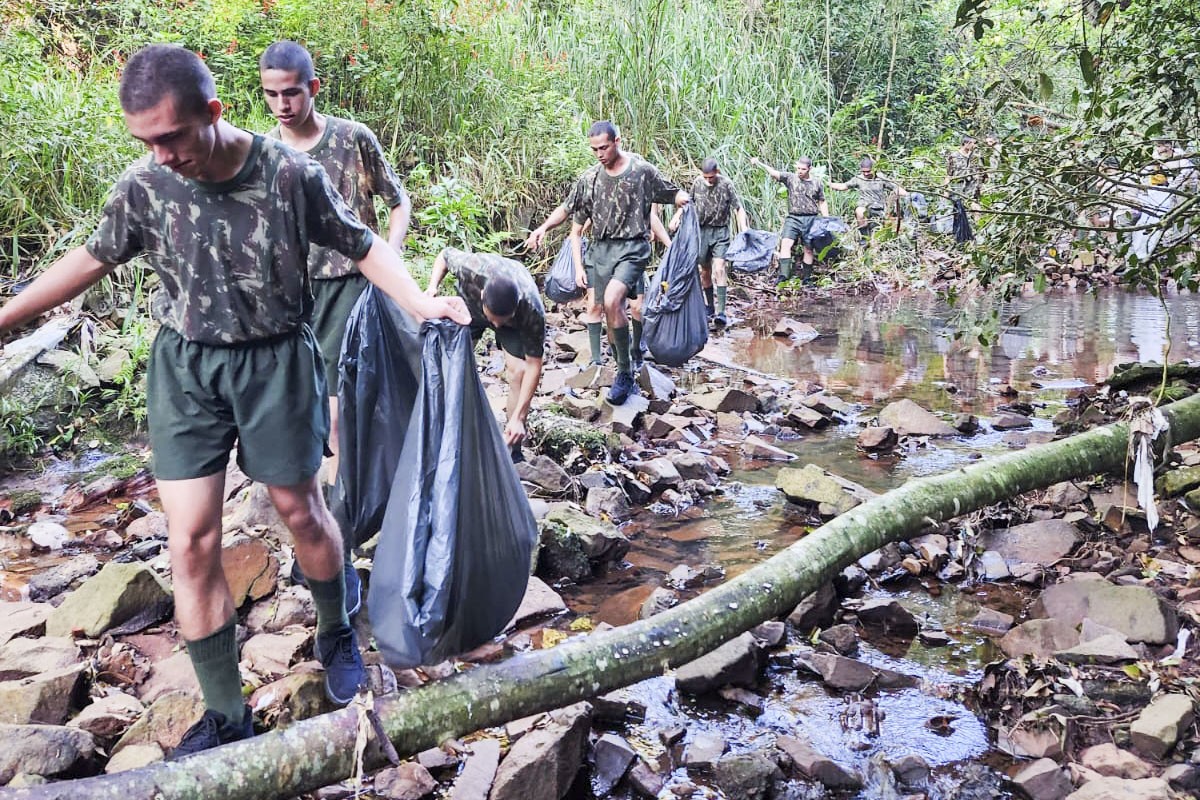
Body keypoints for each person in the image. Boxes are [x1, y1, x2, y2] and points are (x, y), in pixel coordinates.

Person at [0, 44, 469, 757]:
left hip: (275, 361)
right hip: (185, 369)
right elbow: (89, 260)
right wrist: (6, 317)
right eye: (145, 142)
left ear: (212, 114)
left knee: (300, 511)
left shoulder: (288, 175)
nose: (160, 155)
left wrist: (420, 301)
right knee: (190, 542)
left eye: (171, 137)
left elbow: (363, 242)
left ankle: (336, 626)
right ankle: (227, 716)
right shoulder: (144, 187)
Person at [259, 40, 412, 603]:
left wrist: (387, 257)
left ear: (312, 89)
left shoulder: (352, 139)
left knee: (340, 414)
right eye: (271, 95)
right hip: (295, 298)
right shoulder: (264, 154)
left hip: (353, 282)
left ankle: (339, 542)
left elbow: (398, 201)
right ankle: (332, 530)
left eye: (291, 93)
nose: (281, 105)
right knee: (312, 420)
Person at [525, 121, 688, 405]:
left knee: (614, 302)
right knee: (608, 316)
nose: (599, 154)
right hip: (601, 252)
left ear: (617, 141)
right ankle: (623, 365)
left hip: (632, 248)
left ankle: (625, 372)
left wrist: (682, 198)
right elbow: (566, 209)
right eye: (594, 149)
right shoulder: (589, 179)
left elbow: (670, 192)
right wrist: (542, 229)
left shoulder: (641, 171)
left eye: (603, 147)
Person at [425, 248, 545, 458]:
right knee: (451, 364)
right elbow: (443, 255)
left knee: (518, 372)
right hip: (469, 309)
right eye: (495, 319)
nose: (496, 324)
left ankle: (513, 449)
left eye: (502, 319)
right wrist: (432, 288)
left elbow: (534, 365)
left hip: (514, 325)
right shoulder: (471, 267)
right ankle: (442, 431)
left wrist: (520, 416)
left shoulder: (531, 308)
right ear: (482, 294)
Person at [669, 158, 748, 327]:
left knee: (719, 268)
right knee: (705, 271)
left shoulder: (726, 184)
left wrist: (743, 229)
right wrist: (676, 217)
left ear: (717, 173)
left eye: (711, 177)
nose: (708, 180)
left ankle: (721, 311)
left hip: (720, 231)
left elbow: (738, 208)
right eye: (705, 177)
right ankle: (710, 306)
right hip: (701, 231)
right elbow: (686, 204)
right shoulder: (697, 183)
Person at [749, 155, 828, 284]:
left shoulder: (817, 183)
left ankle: (807, 278)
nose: (800, 171)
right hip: (793, 218)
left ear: (809, 169)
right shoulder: (791, 178)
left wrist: (826, 219)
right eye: (798, 168)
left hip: (811, 219)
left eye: (803, 169)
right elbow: (774, 173)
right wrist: (759, 163)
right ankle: (784, 276)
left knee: (808, 248)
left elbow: (822, 201)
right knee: (785, 243)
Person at [828, 157, 907, 234]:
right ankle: (863, 236)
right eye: (863, 171)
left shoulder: (880, 178)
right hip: (864, 206)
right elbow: (843, 186)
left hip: (879, 208)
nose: (866, 174)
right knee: (859, 211)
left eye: (868, 171)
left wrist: (907, 195)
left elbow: (895, 188)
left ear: (873, 169)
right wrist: (829, 184)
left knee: (879, 229)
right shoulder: (859, 179)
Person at [945, 135, 983, 207]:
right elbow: (949, 174)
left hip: (971, 188)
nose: (975, 145)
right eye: (973, 143)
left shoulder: (975, 157)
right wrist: (946, 190)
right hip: (957, 187)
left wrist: (979, 188)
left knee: (975, 208)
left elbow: (980, 174)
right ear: (966, 143)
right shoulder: (953, 156)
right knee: (958, 211)